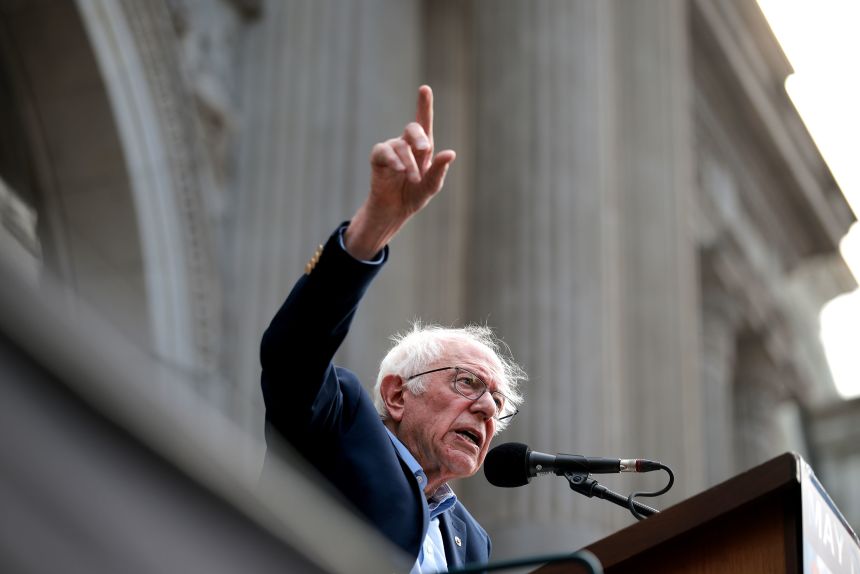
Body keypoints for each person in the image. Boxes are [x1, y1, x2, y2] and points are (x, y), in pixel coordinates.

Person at [260, 85, 526, 572]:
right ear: (398, 395)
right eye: (467, 382)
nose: (488, 408)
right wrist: (373, 228)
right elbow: (291, 352)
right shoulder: (339, 425)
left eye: (497, 402)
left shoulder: (472, 540)